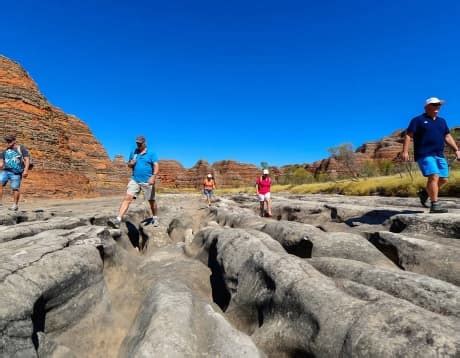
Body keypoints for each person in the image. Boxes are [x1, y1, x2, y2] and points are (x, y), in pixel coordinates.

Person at [402, 97, 460, 213]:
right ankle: (434, 205)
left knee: (443, 179)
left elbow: (447, 136)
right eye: (434, 104)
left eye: (439, 105)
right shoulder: (418, 120)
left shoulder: (442, 121)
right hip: (424, 153)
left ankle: (425, 193)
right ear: (427, 107)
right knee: (434, 175)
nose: (437, 106)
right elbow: (409, 135)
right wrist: (405, 151)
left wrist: (456, 150)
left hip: (439, 154)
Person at [108, 135, 159, 228]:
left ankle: (155, 218)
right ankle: (118, 219)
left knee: (151, 201)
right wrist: (130, 164)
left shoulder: (151, 153)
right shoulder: (134, 152)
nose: (138, 145)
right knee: (127, 198)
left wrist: (153, 176)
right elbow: (129, 164)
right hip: (135, 180)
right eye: (137, 143)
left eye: (140, 143)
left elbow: (156, 165)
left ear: (144, 143)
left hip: (147, 181)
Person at [0, 134, 30, 211]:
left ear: (14, 141)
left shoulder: (21, 148)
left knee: (15, 188)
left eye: (10, 140)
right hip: (5, 171)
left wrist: (26, 170)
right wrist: (1, 165)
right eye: (7, 141)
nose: (8, 142)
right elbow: (1, 162)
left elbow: (27, 159)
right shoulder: (5, 151)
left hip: (16, 173)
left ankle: (15, 205)